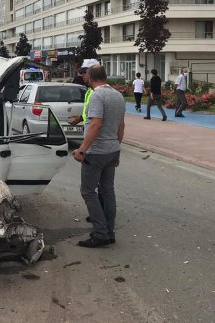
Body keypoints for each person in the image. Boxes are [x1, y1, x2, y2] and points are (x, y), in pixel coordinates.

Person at [72, 65, 126, 248]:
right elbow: (121, 126)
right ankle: (109, 232)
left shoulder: (97, 96)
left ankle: (100, 233)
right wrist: (117, 148)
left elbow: (95, 124)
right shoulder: (118, 95)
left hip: (96, 152)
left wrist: (82, 150)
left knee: (88, 191)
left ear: (90, 78)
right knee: (107, 191)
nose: (84, 78)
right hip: (112, 150)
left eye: (86, 76)